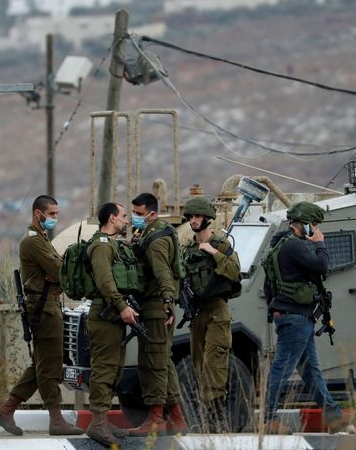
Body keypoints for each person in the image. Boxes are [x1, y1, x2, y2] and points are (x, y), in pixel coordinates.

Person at [0, 195, 83, 436]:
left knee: (41, 364)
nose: (54, 218)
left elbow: (59, 268)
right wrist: (58, 272)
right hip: (44, 308)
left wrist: (58, 271)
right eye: (51, 214)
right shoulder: (33, 241)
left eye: (56, 214)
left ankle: (6, 410)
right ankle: (56, 420)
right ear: (37, 213)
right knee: (50, 365)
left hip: (46, 306)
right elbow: (59, 270)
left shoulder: (41, 239)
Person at [264, 201, 348, 434]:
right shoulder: (294, 245)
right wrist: (320, 243)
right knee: (282, 367)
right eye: (315, 225)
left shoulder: (281, 243)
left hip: (294, 315)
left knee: (310, 370)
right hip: (295, 317)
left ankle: (334, 416)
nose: (316, 229)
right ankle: (268, 419)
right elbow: (322, 266)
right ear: (306, 224)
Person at [128, 192, 187, 436]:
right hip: (152, 306)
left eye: (139, 214)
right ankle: (176, 418)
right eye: (133, 213)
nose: (135, 218)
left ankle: (155, 418)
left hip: (155, 308)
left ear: (152, 214)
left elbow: (163, 273)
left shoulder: (157, 240)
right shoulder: (151, 233)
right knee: (163, 361)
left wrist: (167, 303)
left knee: (152, 363)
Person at [181, 196, 241, 432]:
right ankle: (205, 420)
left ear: (207, 218)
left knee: (214, 366)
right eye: (190, 217)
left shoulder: (221, 244)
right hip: (197, 313)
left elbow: (235, 271)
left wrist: (213, 252)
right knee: (198, 367)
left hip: (217, 311)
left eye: (197, 217)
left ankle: (218, 421)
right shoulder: (187, 247)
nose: (193, 221)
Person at [85, 202, 138, 447]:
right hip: (105, 315)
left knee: (114, 370)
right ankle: (97, 424)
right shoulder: (101, 246)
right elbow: (106, 283)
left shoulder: (111, 245)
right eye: (124, 217)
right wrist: (122, 306)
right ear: (112, 218)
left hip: (112, 316)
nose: (127, 221)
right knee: (104, 369)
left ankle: (103, 421)